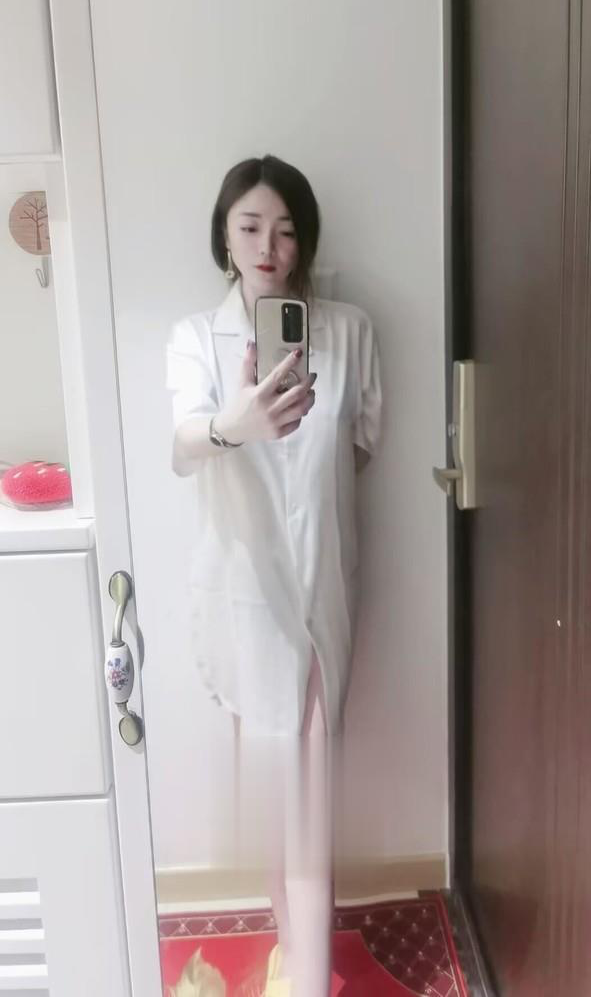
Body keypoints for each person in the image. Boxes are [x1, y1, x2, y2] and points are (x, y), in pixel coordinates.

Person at [167, 155, 381, 997]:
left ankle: (307, 970)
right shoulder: (194, 338)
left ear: (307, 241)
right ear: (224, 236)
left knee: (308, 797)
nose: (268, 246)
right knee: (274, 794)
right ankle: (297, 956)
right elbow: (182, 446)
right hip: (243, 596)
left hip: (320, 592)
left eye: (286, 230)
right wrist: (235, 424)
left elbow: (360, 445)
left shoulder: (349, 331)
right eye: (250, 226)